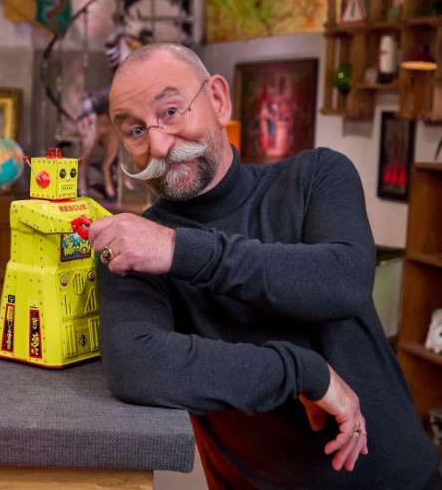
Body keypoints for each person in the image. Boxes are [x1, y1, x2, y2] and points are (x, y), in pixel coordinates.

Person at [88, 43, 441, 489]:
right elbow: (136, 366)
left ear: (219, 100)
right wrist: (303, 372)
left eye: (171, 111)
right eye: (136, 130)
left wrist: (179, 250)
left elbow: (343, 281)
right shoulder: (133, 247)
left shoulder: (317, 176)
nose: (158, 144)